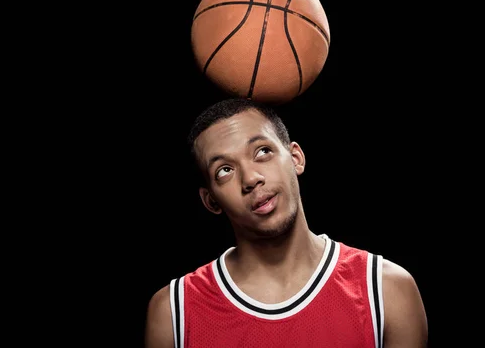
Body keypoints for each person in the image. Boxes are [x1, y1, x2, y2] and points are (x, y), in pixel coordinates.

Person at [144, 97, 428, 348]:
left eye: (262, 152)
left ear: (295, 157)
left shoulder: (386, 291)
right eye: (225, 170)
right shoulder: (173, 313)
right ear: (210, 201)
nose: (251, 178)